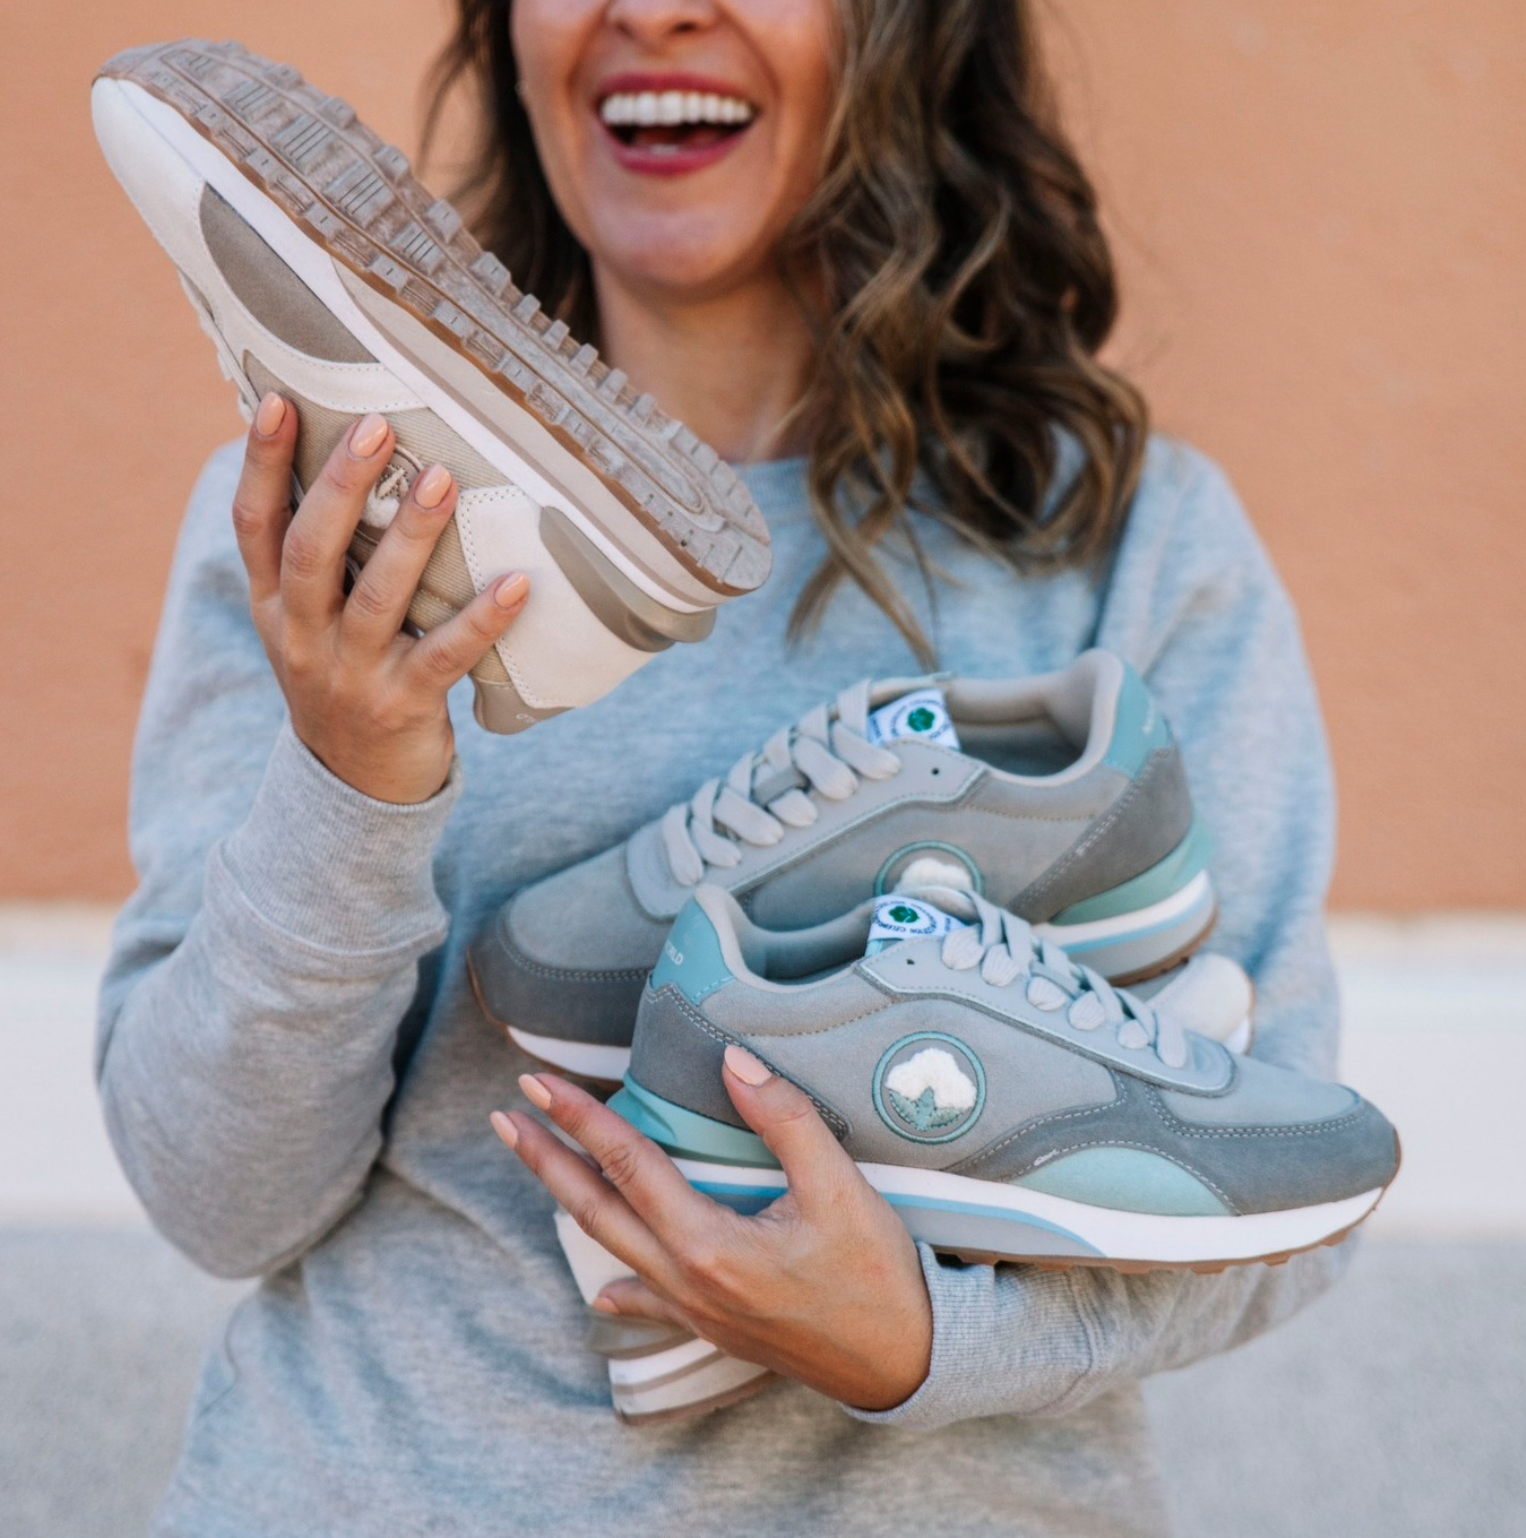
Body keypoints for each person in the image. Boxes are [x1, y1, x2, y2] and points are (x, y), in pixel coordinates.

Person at [98, 1, 1349, 1532]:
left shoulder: (1130, 540)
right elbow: (215, 1196)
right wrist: (350, 778)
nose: (649, 9)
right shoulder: (332, 533)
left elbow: (1289, 1174)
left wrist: (920, 1337)